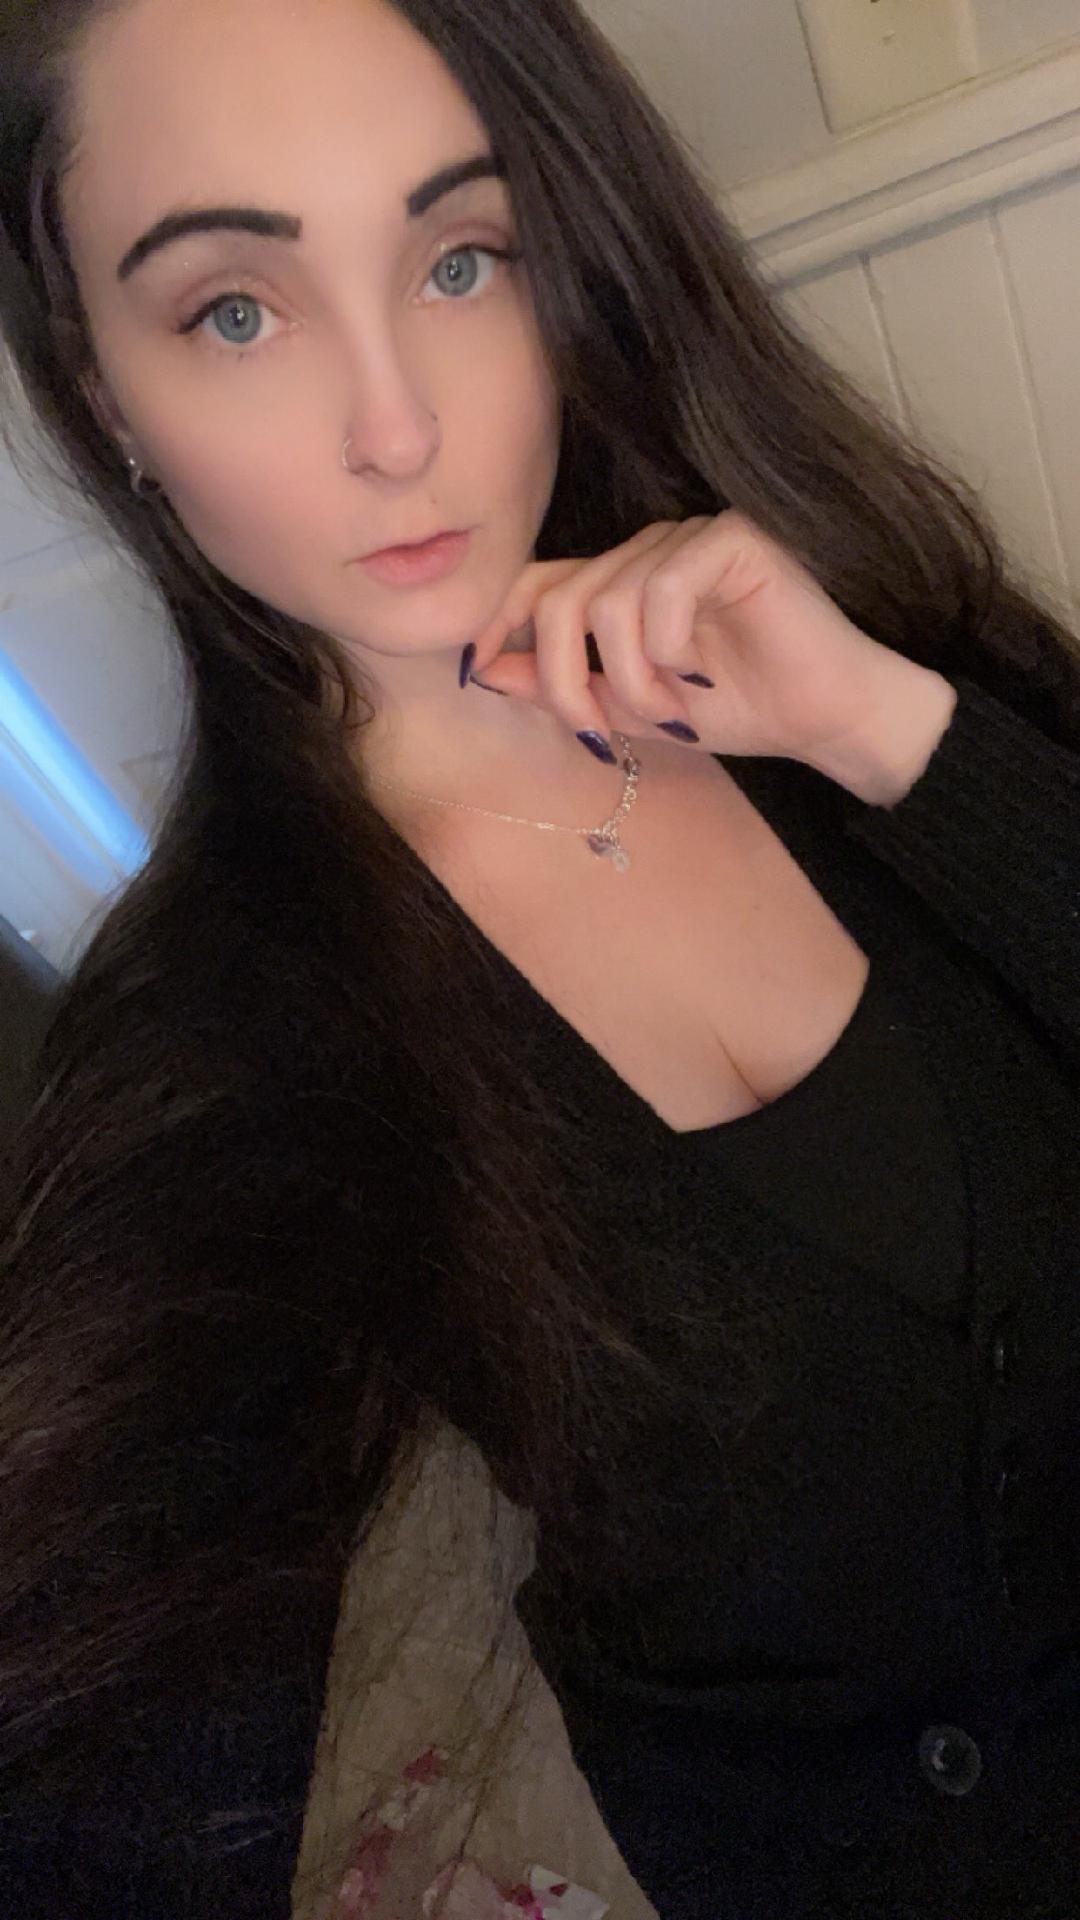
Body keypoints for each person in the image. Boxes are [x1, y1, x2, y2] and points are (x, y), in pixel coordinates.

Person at [0, 0, 1078, 1913]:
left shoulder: (848, 639)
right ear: (107, 396)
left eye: (459, 258)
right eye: (235, 310)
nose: (396, 426)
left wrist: (891, 734)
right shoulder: (226, 1037)